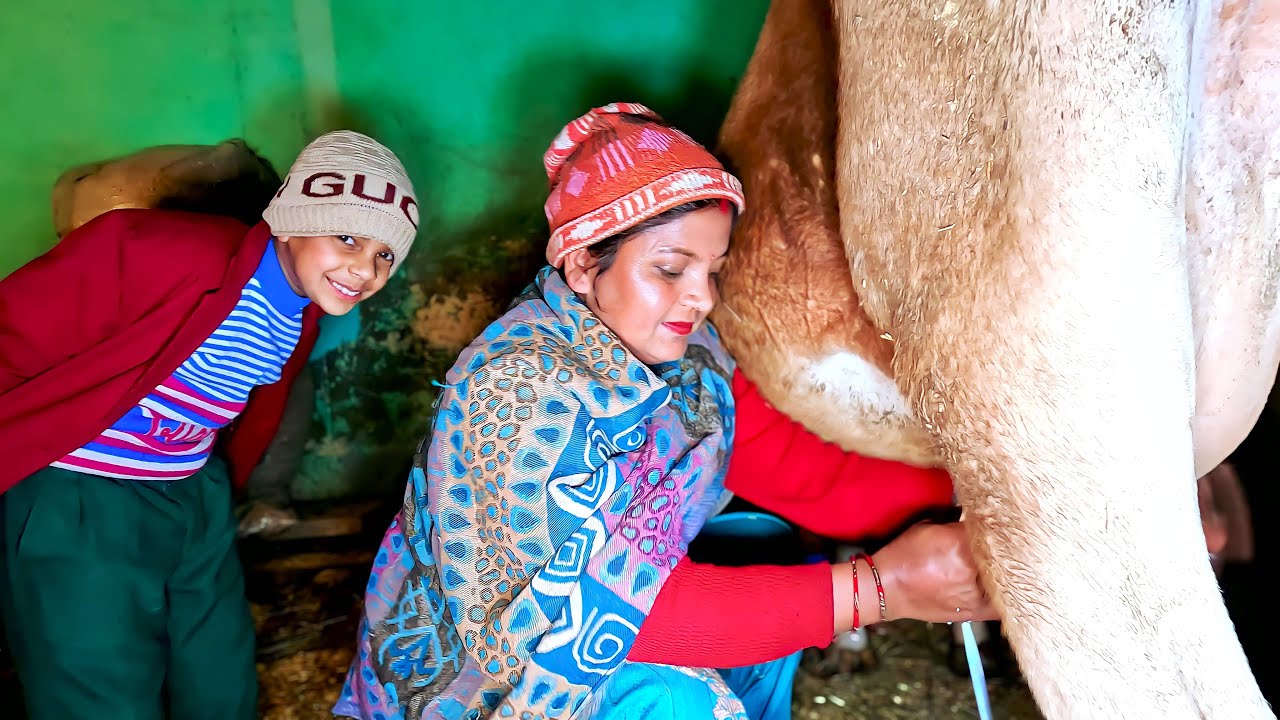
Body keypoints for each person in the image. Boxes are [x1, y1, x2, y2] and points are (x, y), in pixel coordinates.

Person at [334, 103, 995, 720]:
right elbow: (614, 622)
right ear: (583, 263)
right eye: (671, 269)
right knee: (678, 699)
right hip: (481, 684)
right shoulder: (515, 389)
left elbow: (806, 477)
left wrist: (994, 505)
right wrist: (881, 590)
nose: (701, 298)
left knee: (770, 556)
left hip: (612, 628)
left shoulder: (689, 357)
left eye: (712, 270)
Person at [0, 130, 420, 720]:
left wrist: (224, 487)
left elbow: (244, 416)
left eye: (385, 255)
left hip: (192, 489)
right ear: (293, 219)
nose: (364, 269)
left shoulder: (298, 318)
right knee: (94, 683)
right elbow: (15, 328)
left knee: (217, 674)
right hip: (84, 495)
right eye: (346, 237)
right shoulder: (160, 251)